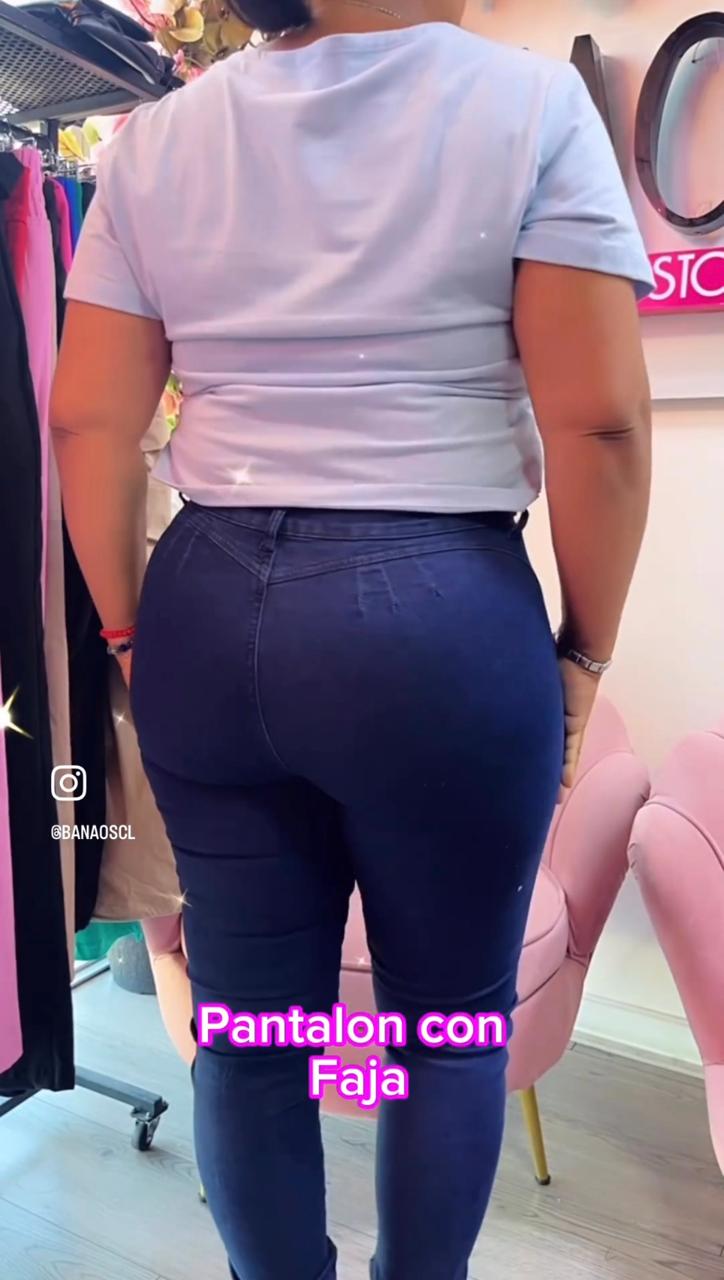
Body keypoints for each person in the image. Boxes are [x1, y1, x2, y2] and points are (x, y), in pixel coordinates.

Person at [50, 0, 653, 1273]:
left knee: (247, 1028)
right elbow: (598, 426)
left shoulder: (156, 141)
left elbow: (88, 424)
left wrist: (130, 632)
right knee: (445, 1034)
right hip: (438, 616)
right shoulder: (529, 106)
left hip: (209, 606)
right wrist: (583, 657)